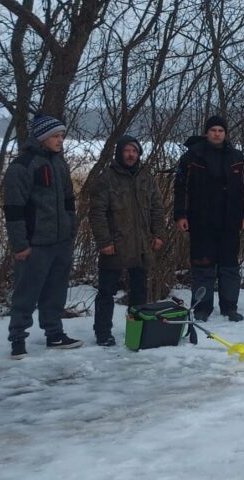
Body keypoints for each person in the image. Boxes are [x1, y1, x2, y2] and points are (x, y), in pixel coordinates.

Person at [4, 114, 82, 359]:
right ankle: (18, 338)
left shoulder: (60, 164)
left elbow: (69, 202)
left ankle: (54, 333)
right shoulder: (23, 165)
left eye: (62, 136)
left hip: (60, 241)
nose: (61, 141)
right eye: (56, 136)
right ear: (42, 137)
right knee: (26, 292)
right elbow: (14, 209)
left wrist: (70, 230)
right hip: (35, 243)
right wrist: (20, 244)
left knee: (56, 291)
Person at [174, 115, 244, 322]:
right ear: (207, 133)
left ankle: (229, 307)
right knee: (203, 267)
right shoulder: (192, 157)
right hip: (201, 221)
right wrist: (180, 214)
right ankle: (202, 307)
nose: (217, 134)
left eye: (220, 130)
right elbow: (181, 189)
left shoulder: (237, 157)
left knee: (229, 267)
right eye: (213, 130)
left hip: (230, 220)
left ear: (225, 134)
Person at [87, 135, 165, 346]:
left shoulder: (146, 177)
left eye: (134, 151)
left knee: (139, 291)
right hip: (115, 244)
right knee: (106, 291)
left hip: (141, 244)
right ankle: (103, 333)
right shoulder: (106, 178)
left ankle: (138, 330)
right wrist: (104, 241)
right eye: (127, 151)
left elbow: (157, 208)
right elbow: (97, 213)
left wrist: (158, 234)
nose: (131, 155)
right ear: (119, 153)